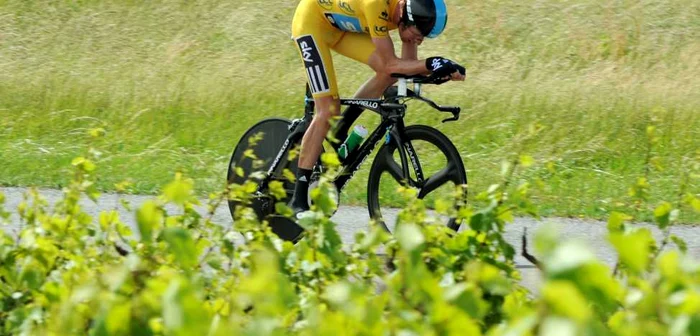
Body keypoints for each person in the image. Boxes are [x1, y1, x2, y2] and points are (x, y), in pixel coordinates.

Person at [289, 0, 466, 216]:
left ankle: (340, 128)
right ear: (403, 15)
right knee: (327, 110)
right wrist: (431, 64)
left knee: (388, 74)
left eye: (422, 38)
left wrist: (443, 71)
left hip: (341, 28)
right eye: (416, 35)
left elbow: (404, 69)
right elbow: (393, 63)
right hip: (312, 23)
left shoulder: (406, 16)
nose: (416, 41)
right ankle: (298, 201)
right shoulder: (376, 5)